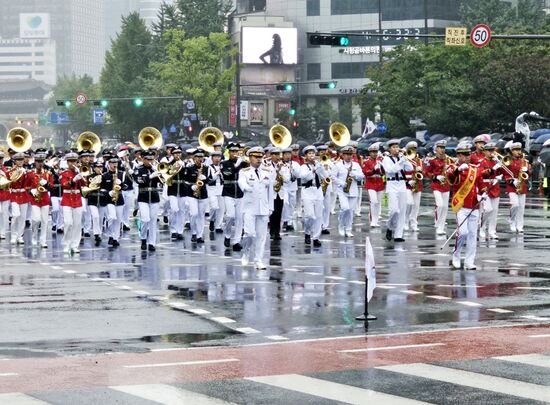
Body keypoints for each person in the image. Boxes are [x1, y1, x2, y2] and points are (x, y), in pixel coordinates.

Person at [446, 142, 488, 270]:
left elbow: (481, 184)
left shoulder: (474, 169)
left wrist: (483, 193)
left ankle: (470, 261)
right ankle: (456, 255)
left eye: (468, 154)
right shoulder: (452, 167)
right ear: (458, 155)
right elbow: (450, 177)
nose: (467, 157)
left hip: (474, 205)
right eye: (464, 154)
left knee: (472, 235)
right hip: (461, 205)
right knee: (463, 232)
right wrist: (458, 170)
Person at [238, 146, 274, 269]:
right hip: (249, 208)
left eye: (260, 157)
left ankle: (258, 260)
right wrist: (247, 187)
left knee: (261, 236)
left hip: (263, 208)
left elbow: (271, 191)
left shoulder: (268, 172)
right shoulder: (244, 172)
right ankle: (246, 252)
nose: (258, 160)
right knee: (249, 234)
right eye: (255, 157)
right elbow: (241, 183)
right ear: (249, 158)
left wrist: (271, 207)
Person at [382, 139, 413, 242]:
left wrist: (406, 159)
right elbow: (390, 170)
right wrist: (401, 161)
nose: (396, 149)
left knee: (402, 211)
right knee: (394, 210)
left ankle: (398, 235)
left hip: (402, 184)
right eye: (394, 147)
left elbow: (410, 168)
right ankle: (390, 227)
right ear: (389, 149)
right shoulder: (386, 159)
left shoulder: (401, 158)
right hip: (391, 184)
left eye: (397, 147)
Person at [299, 145, 328, 247]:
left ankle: (316, 237)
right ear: (305, 156)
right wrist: (312, 170)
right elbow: (304, 178)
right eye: (309, 154)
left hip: (318, 190)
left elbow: (325, 176)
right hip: (307, 191)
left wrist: (319, 167)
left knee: (318, 216)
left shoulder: (318, 165)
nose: (312, 155)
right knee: (310, 216)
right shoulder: (303, 167)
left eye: (313, 153)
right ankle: (307, 232)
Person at [333, 145, 365, 238]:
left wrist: (354, 174)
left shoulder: (356, 165)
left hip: (353, 190)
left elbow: (361, 176)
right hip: (342, 190)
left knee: (351, 211)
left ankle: (348, 229)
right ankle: (341, 225)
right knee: (345, 208)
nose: (349, 156)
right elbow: (333, 177)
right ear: (342, 155)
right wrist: (341, 183)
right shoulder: (338, 165)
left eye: (350, 154)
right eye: (346, 154)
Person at [221, 143, 248, 251]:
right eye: (232, 152)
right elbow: (228, 174)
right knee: (230, 216)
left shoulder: (244, 164)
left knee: (239, 218)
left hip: (240, 193)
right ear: (229, 152)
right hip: (228, 192)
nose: (235, 154)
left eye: (236, 152)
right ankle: (227, 235)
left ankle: (236, 241)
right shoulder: (224, 163)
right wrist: (237, 165)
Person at [59, 153, 86, 254]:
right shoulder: (64, 173)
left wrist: (82, 176)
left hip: (77, 200)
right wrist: (74, 179)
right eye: (70, 161)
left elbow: (85, 185)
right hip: (67, 200)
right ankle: (67, 244)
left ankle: (75, 245)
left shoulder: (79, 172)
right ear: (67, 162)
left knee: (77, 224)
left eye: (74, 161)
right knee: (68, 223)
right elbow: (64, 185)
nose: (72, 163)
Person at [135, 152, 162, 251]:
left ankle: (152, 243)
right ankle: (143, 239)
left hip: (154, 197)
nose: (150, 162)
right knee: (145, 219)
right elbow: (139, 180)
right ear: (143, 159)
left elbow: (163, 181)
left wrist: (161, 173)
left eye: (151, 159)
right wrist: (151, 176)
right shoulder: (138, 169)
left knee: (153, 221)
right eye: (148, 159)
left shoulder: (155, 168)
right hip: (143, 197)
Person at [424, 140, 452, 235]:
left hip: (446, 185)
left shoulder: (448, 159)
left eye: (443, 148)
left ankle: (441, 227)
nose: (442, 150)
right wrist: (435, 177)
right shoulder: (432, 160)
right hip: (436, 185)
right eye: (440, 148)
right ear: (436, 149)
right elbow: (426, 172)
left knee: (445, 207)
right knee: (439, 205)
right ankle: (437, 223)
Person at [478, 142, 504, 239]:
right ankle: (482, 228)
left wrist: (501, 171)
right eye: (489, 150)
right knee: (487, 210)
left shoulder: (496, 161)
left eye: (492, 150)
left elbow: (504, 172)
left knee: (494, 211)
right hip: (485, 187)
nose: (491, 153)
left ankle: (492, 231)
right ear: (484, 151)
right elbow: (482, 174)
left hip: (495, 186)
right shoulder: (481, 162)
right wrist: (493, 169)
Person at [504, 142, 531, 233]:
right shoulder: (508, 160)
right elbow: (505, 173)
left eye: (519, 150)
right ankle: (512, 221)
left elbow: (528, 175)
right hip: (512, 185)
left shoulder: (524, 161)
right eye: (515, 150)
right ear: (511, 151)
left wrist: (527, 170)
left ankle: (519, 226)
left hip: (522, 185)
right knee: (515, 205)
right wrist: (512, 181)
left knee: (521, 207)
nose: (518, 152)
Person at [183, 149, 209, 243]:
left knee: (201, 215)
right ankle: (194, 232)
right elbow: (184, 181)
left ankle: (199, 235)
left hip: (203, 194)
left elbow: (211, 180)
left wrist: (206, 179)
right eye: (198, 157)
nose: (200, 159)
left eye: (201, 157)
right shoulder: (189, 168)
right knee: (194, 214)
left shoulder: (206, 168)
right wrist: (191, 186)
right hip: (192, 194)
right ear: (194, 158)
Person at [28, 153, 53, 247]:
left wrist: (46, 183)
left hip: (45, 198)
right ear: (35, 162)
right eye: (38, 161)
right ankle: (34, 237)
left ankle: (43, 240)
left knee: (45, 220)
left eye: (41, 161)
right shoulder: (30, 173)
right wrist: (31, 191)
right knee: (36, 219)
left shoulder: (47, 174)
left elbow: (51, 187)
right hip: (35, 199)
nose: (40, 164)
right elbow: (26, 186)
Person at [100, 157, 125, 247]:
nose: (115, 165)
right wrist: (108, 192)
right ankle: (110, 234)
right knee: (111, 217)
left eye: (116, 163)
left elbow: (126, 186)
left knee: (118, 220)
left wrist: (121, 184)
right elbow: (101, 189)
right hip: (109, 200)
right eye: (112, 163)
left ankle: (115, 238)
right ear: (109, 164)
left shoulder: (121, 174)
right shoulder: (105, 175)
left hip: (119, 200)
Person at [7, 153, 30, 245]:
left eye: (21, 160)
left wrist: (26, 174)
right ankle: (13, 235)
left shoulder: (27, 172)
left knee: (22, 217)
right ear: (14, 161)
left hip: (23, 195)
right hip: (14, 195)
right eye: (18, 160)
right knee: (15, 215)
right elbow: (8, 183)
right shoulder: (10, 172)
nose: (20, 162)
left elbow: (29, 184)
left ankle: (20, 236)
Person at [268, 147, 290, 241]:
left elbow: (287, 179)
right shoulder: (267, 166)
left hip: (280, 192)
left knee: (279, 213)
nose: (278, 157)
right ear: (271, 155)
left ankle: (277, 232)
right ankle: (272, 232)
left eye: (278, 155)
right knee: (272, 212)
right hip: (271, 192)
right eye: (275, 155)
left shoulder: (284, 166)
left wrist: (280, 171)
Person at [166, 148, 187, 240]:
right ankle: (173, 230)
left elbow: (188, 176)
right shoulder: (168, 164)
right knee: (174, 209)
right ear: (172, 154)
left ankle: (180, 231)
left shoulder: (185, 164)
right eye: (175, 153)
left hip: (182, 189)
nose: (177, 155)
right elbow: (165, 175)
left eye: (179, 153)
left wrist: (184, 167)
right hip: (172, 189)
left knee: (182, 211)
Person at [362, 143, 385, 228]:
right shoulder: (366, 162)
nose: (374, 153)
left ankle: (376, 221)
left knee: (378, 203)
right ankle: (372, 220)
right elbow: (365, 172)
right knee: (374, 201)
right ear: (369, 153)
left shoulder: (380, 161)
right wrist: (373, 170)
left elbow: (384, 173)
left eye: (376, 152)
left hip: (379, 182)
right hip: (371, 183)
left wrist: (382, 168)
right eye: (372, 152)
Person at [404, 141, 423, 232]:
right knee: (409, 203)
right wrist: (407, 181)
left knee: (416, 206)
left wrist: (420, 170)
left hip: (417, 184)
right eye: (412, 149)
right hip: (407, 185)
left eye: (415, 149)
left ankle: (414, 223)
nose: (414, 151)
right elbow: (401, 172)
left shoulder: (419, 160)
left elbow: (423, 173)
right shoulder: (404, 159)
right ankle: (405, 221)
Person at [206, 150, 224, 234]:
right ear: (212, 158)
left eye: (219, 157)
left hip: (221, 188)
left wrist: (222, 174)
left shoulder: (222, 166)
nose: (217, 159)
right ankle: (212, 219)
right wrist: (218, 173)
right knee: (214, 207)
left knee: (221, 209)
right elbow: (209, 179)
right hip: (212, 189)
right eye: (215, 157)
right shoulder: (209, 167)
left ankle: (218, 226)